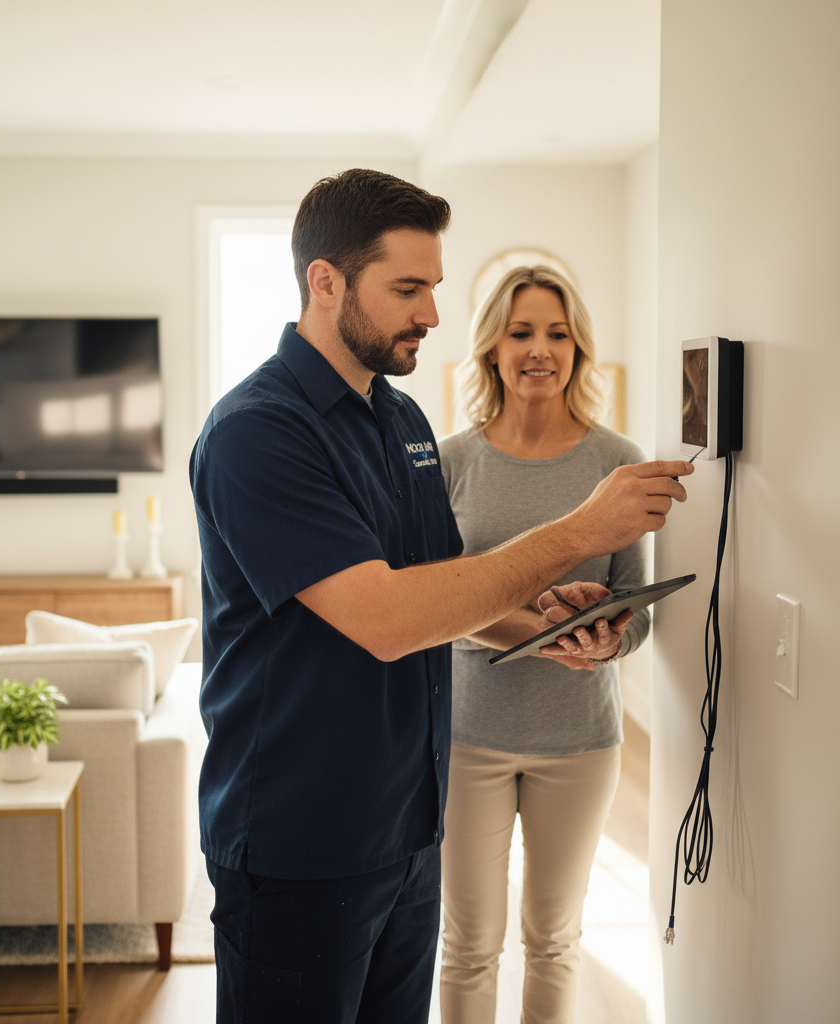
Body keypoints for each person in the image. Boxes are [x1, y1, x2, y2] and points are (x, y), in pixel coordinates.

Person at [189, 169, 692, 1024]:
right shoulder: (257, 434)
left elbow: (439, 589)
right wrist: (578, 531)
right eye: (408, 289)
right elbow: (387, 619)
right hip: (301, 839)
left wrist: (542, 626)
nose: (430, 313)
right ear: (326, 282)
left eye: (434, 289)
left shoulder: (401, 420)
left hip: (411, 825)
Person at [438, 264, 649, 1024]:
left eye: (557, 334)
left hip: (579, 741)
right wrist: (540, 631)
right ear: (491, 347)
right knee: (467, 944)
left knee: (556, 939)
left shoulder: (615, 460)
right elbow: (435, 599)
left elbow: (637, 609)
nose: (539, 349)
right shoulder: (451, 462)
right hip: (468, 736)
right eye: (521, 332)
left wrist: (607, 642)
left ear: (578, 349)